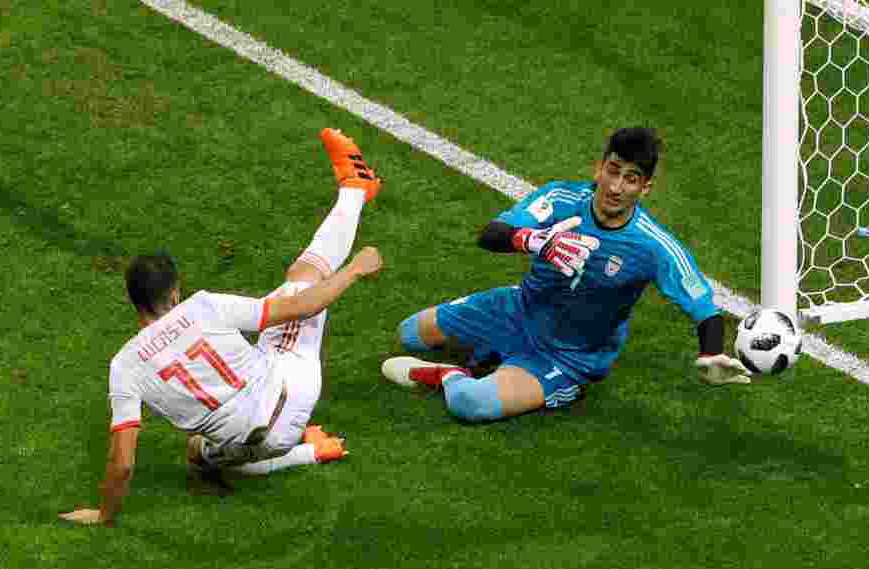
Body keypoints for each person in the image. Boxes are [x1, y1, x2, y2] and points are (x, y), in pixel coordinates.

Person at [60, 129, 382, 525]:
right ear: (175, 293)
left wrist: (104, 514)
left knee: (199, 452)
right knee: (304, 278)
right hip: (290, 391)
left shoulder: (124, 367)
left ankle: (308, 450)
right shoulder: (203, 307)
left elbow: (122, 462)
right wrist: (354, 270)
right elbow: (302, 306)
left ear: (132, 301)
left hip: (249, 440)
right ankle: (356, 188)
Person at [382, 127, 749, 423]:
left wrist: (710, 353)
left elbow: (704, 308)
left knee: (468, 402)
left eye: (632, 179)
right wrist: (534, 241)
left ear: (645, 188)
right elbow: (490, 235)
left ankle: (446, 374)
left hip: (567, 355)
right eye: (613, 171)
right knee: (410, 333)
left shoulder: (654, 246)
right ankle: (498, 354)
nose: (617, 187)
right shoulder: (560, 199)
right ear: (599, 167)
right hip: (518, 309)